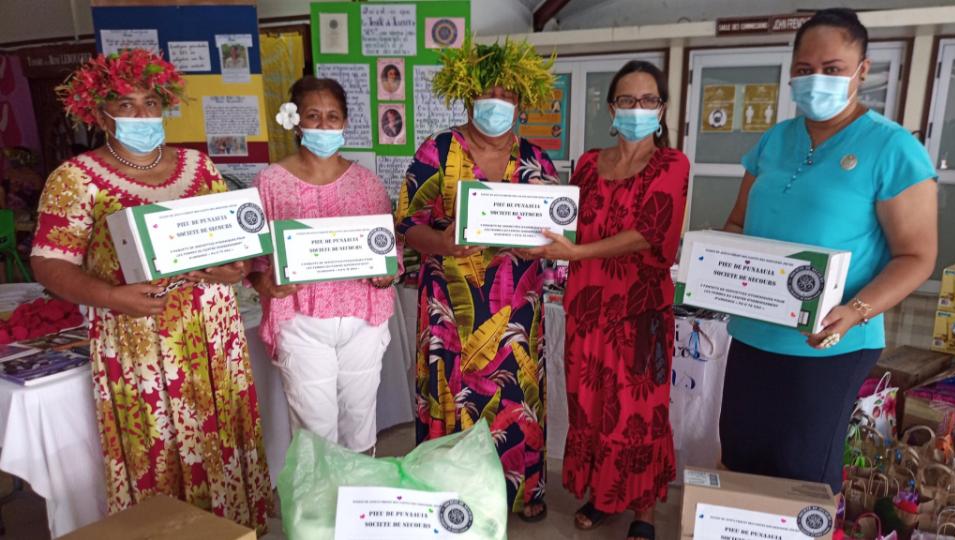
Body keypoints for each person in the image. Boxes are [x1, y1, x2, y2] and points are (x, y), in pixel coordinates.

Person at [31, 49, 271, 532]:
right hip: (140, 340)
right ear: (99, 114)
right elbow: (49, 264)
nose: (141, 115)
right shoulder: (75, 179)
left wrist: (237, 268)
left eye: (150, 103)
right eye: (125, 105)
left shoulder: (199, 167)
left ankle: (233, 531)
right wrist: (111, 296)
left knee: (222, 435)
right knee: (160, 444)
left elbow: (230, 239)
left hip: (214, 333)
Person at [719, 8, 937, 497]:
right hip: (753, 332)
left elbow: (916, 256)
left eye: (833, 68)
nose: (816, 79)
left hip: (828, 343)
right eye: (804, 69)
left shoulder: (892, 149)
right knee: (740, 454)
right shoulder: (775, 140)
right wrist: (712, 267)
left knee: (800, 472)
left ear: (862, 70)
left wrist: (854, 312)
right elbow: (738, 223)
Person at [524, 60, 688, 540]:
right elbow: (567, 217)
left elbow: (651, 233)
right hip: (588, 311)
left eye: (647, 100)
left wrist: (577, 251)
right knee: (591, 408)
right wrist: (527, 210)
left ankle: (643, 510)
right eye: (627, 100)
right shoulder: (589, 164)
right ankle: (603, 494)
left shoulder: (672, 164)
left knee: (639, 414)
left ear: (661, 109)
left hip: (639, 315)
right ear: (611, 108)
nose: (637, 109)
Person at [396, 36, 557, 521]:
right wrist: (442, 242)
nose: (498, 104)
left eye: (509, 95)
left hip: (516, 312)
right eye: (489, 93)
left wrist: (547, 244)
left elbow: (557, 228)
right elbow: (405, 222)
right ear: (468, 95)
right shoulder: (439, 150)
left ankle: (521, 494)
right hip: (451, 308)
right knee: (451, 396)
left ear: (522, 102)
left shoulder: (537, 161)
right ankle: (449, 499)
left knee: (516, 399)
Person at [249, 76, 397, 452]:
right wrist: (267, 285)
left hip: (362, 318)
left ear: (345, 123)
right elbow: (254, 261)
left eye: (333, 116)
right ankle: (320, 508)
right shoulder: (269, 183)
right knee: (315, 431)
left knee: (360, 421)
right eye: (313, 116)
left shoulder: (368, 184)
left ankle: (357, 504)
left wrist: (384, 277)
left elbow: (386, 258)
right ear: (296, 122)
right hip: (301, 318)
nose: (324, 125)